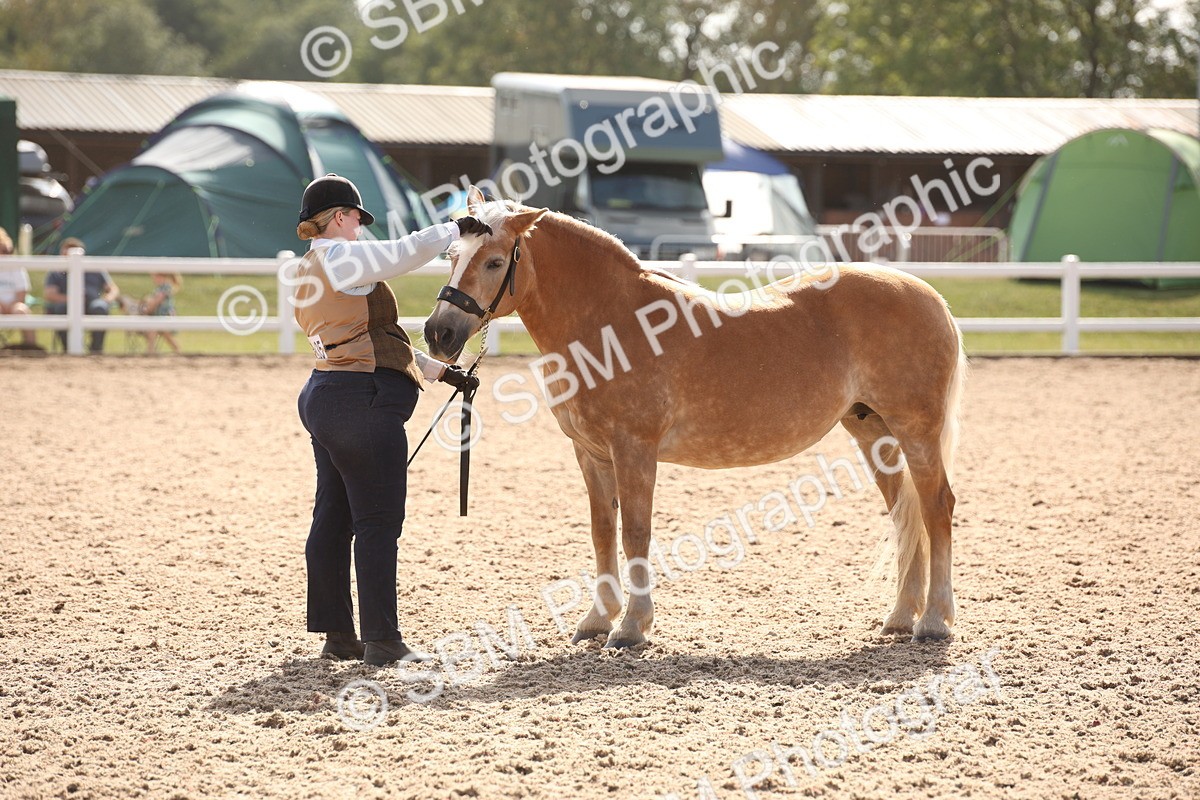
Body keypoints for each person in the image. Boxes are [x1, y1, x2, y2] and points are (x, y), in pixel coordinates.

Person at [293, 173, 491, 666]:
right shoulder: (340, 257)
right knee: (379, 522)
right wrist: (453, 229)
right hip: (361, 401)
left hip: (328, 393)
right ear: (340, 217)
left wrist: (444, 374)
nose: (360, 228)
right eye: (357, 219)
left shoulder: (310, 268)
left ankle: (339, 634)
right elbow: (399, 253)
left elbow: (378, 340)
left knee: (334, 518)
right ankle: (382, 639)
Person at [43, 237, 119, 353]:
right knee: (61, 309)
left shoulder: (94, 268)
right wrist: (72, 299)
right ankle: (68, 348)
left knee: (99, 308)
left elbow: (112, 289)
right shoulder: (56, 272)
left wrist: (107, 300)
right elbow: (49, 294)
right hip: (68, 303)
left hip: (92, 302)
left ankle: (96, 349)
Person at [0, 227, 38, 348]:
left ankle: (31, 347)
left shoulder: (16, 267)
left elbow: (22, 293)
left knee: (21, 310)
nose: (5, 254)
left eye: (7, 251)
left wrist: (11, 304)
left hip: (14, 304)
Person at [142, 272, 181, 354]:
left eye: (154, 277)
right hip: (159, 315)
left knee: (165, 334)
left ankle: (176, 350)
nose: (153, 280)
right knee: (155, 332)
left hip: (165, 315)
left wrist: (148, 309)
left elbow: (157, 300)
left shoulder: (165, 287)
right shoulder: (160, 288)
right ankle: (151, 351)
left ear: (160, 276)